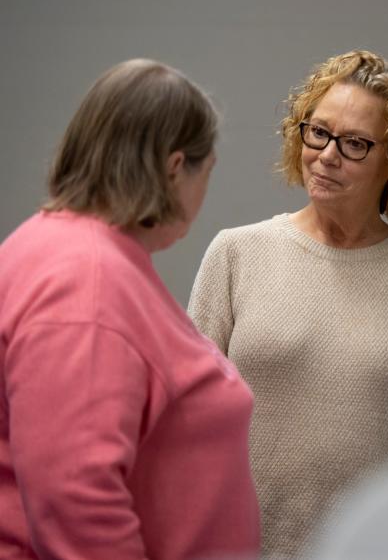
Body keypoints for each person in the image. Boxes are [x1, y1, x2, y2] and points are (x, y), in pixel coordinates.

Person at [188, 49, 388, 557]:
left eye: (355, 143)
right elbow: (184, 424)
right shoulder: (236, 253)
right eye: (317, 132)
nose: (327, 154)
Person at [0, 59, 260, 559]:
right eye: (206, 172)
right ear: (174, 168)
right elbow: (74, 495)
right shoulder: (84, 285)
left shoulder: (74, 252)